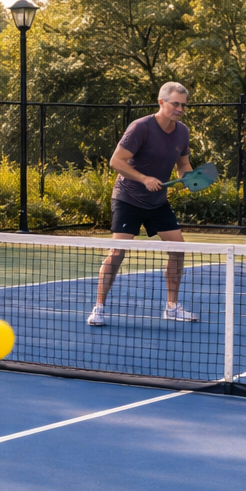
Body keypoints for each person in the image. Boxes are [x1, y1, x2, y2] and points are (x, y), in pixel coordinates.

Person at [89, 81, 199, 326]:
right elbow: (116, 161)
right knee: (118, 252)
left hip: (157, 201)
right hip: (128, 198)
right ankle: (99, 307)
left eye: (183, 105)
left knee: (178, 250)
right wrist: (143, 178)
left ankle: (172, 307)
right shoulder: (141, 127)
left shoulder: (182, 132)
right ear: (161, 102)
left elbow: (183, 165)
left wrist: (188, 179)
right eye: (175, 104)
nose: (180, 109)